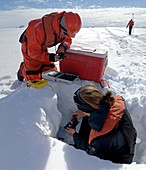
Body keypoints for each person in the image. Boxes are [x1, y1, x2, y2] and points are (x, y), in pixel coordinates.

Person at [65, 84, 137, 164]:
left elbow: (89, 153)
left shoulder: (101, 135)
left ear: (88, 108)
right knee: (87, 120)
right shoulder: (114, 102)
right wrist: (85, 113)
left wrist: (74, 134)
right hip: (122, 143)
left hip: (116, 160)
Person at [17, 11, 82, 82]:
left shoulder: (63, 30)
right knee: (34, 78)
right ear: (60, 26)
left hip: (42, 46)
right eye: (65, 33)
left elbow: (67, 39)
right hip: (30, 47)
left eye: (68, 34)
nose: (66, 36)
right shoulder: (37, 30)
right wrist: (51, 57)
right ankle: (22, 69)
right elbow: (33, 53)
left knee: (52, 72)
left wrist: (63, 47)